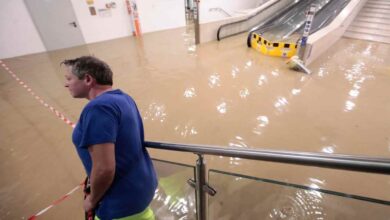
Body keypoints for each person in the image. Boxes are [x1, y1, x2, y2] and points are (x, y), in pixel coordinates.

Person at [62, 56, 158, 220]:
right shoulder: (123, 98)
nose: (66, 84)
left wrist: (91, 200)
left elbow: (104, 168)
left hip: (120, 203)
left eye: (69, 79)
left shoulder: (98, 108)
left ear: (87, 79)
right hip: (140, 190)